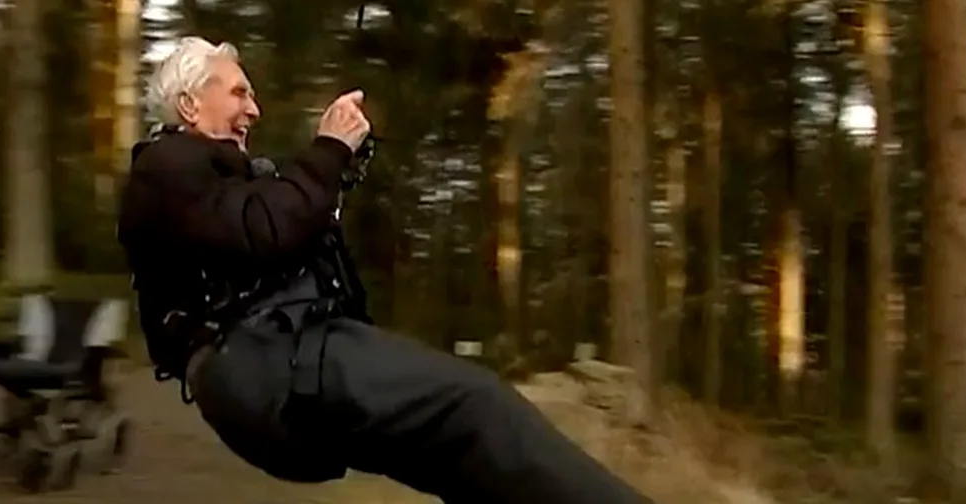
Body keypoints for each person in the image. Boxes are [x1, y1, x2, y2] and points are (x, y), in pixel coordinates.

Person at [117, 36, 651, 503]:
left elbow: (278, 225)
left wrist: (332, 169)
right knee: (475, 404)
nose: (254, 109)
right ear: (189, 104)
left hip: (282, 360)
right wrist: (329, 148)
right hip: (267, 363)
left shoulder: (214, 180)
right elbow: (268, 228)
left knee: (463, 462)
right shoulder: (166, 166)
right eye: (239, 93)